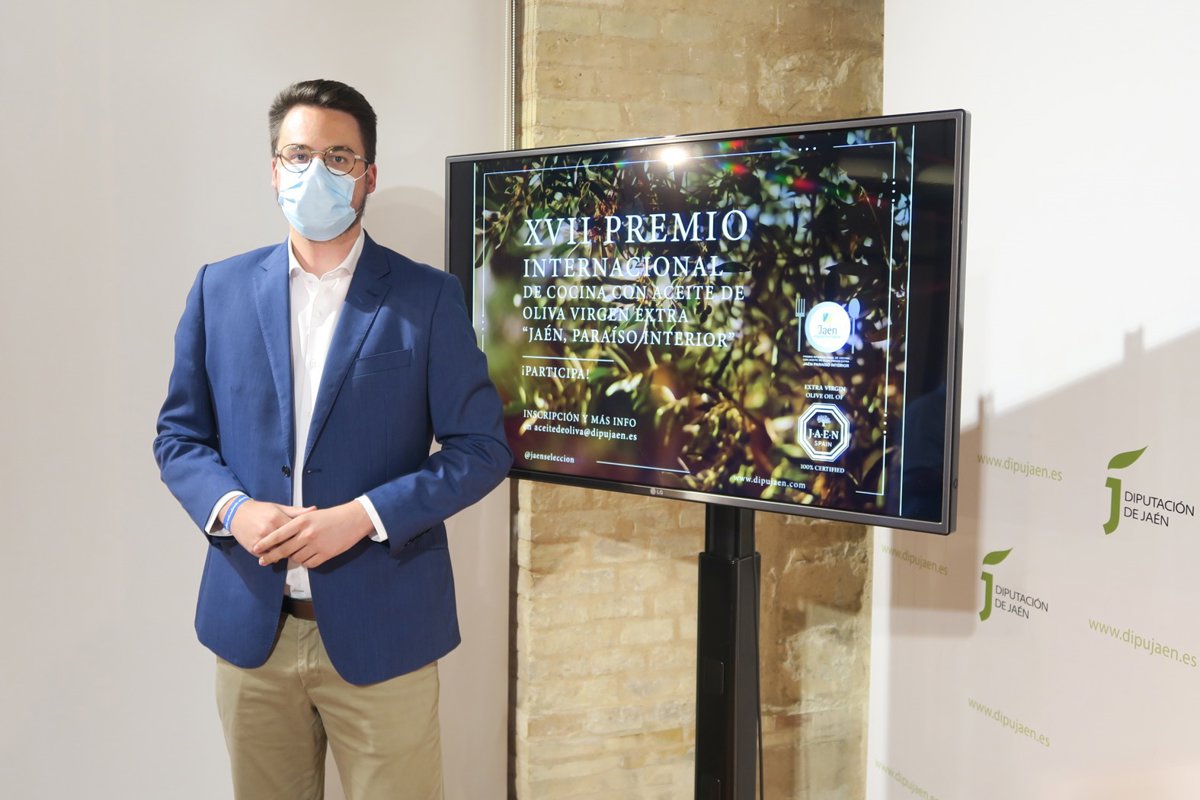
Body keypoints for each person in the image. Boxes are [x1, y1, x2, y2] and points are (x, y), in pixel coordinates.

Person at [153, 78, 511, 800]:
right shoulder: (218, 290)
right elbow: (179, 437)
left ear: (368, 175)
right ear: (273, 169)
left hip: (386, 630)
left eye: (338, 157)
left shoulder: (427, 297)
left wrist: (364, 517)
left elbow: (481, 449)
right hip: (253, 632)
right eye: (298, 155)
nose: (315, 172)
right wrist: (232, 510)